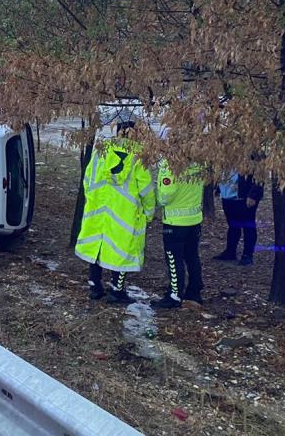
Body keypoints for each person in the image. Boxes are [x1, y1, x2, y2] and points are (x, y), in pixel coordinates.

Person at [75, 121, 155, 304]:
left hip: (98, 209)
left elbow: (88, 178)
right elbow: (146, 190)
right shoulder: (137, 157)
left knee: (96, 247)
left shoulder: (100, 152)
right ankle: (117, 291)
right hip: (124, 213)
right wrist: (149, 212)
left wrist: (92, 199)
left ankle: (94, 286)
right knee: (121, 251)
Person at [152, 161, 204, 309]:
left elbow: (165, 196)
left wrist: (158, 194)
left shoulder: (171, 165)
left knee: (173, 259)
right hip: (194, 220)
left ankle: (174, 295)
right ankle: (194, 291)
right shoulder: (200, 162)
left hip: (175, 223)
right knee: (192, 256)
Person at [214, 171, 264, 265]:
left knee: (248, 226)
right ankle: (230, 252)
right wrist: (218, 188)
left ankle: (247, 255)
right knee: (233, 226)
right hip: (227, 196)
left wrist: (253, 194)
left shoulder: (251, 156)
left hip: (245, 197)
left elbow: (260, 173)